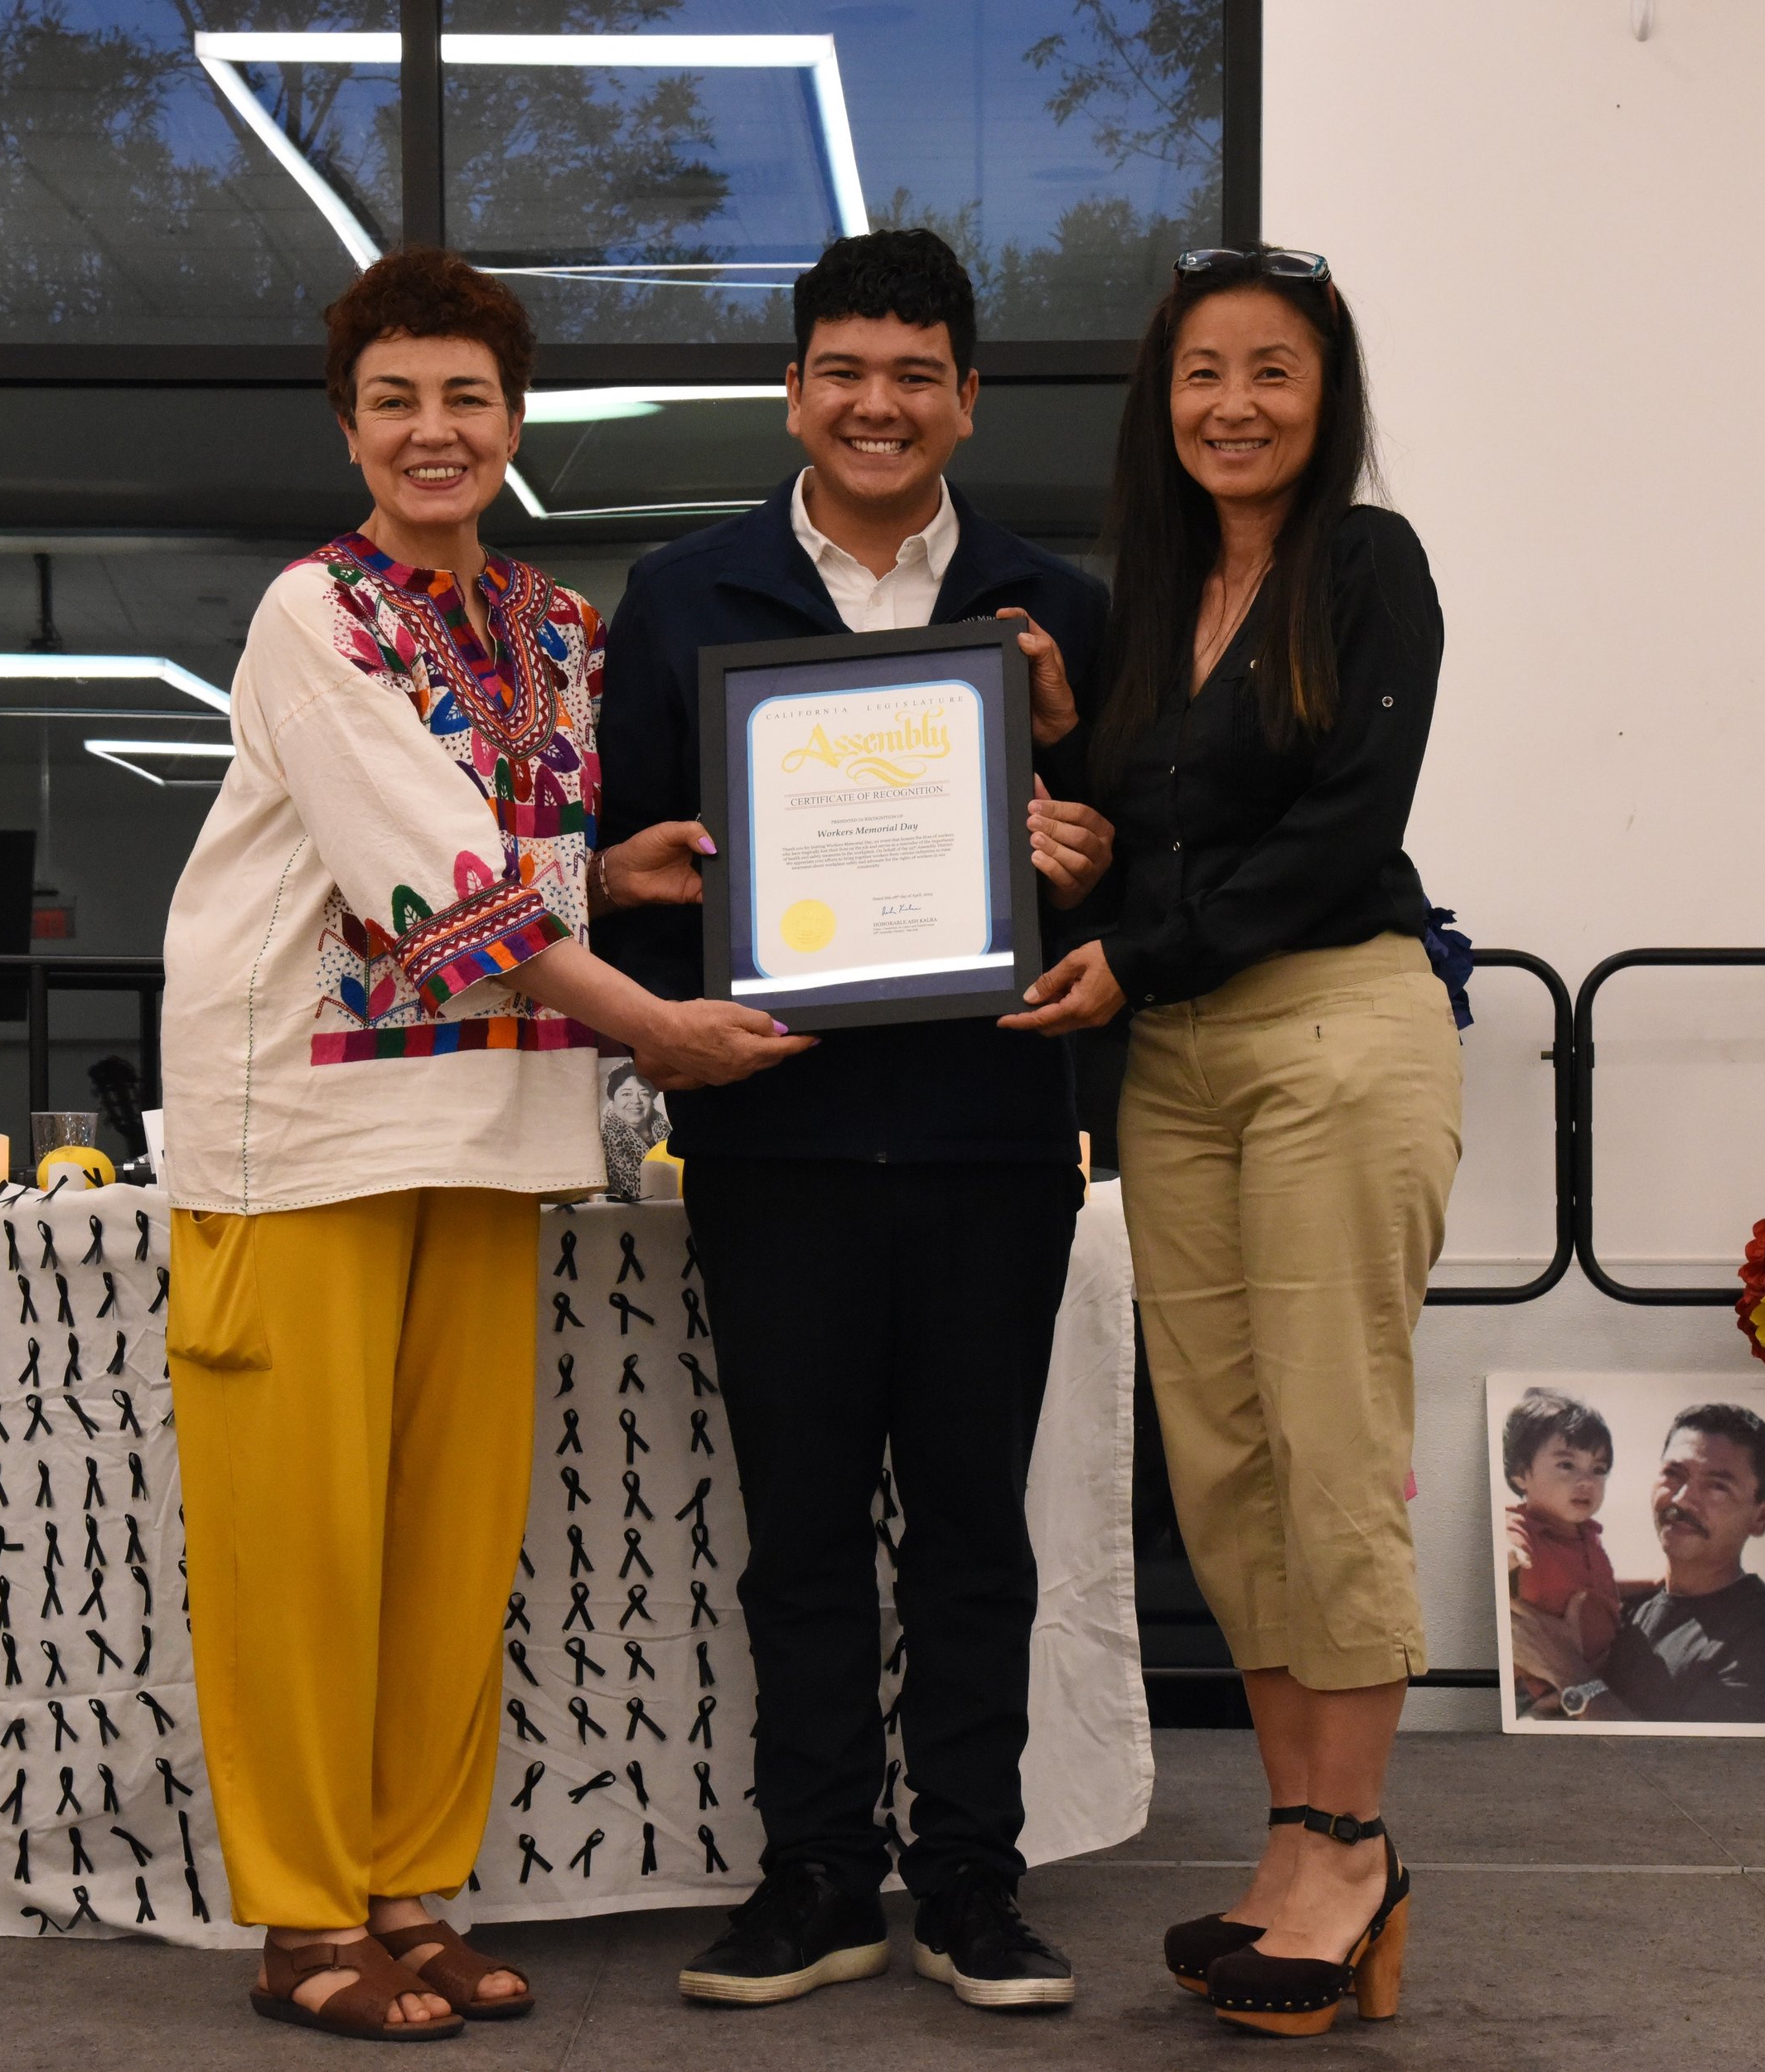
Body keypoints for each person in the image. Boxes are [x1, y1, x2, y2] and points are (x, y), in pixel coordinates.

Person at [159, 246, 806, 2045]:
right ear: (349, 426)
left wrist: (610, 870)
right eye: (394, 402)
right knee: (300, 1546)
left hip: (488, 1117)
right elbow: (420, 869)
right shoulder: (318, 609)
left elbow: (499, 851)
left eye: (463, 398)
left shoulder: (552, 620)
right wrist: (649, 1021)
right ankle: (299, 1917)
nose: (431, 431)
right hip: (297, 1123)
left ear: (511, 422)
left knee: (450, 1542)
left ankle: (410, 1888)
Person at [595, 228, 1115, 2011]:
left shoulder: (1061, 604)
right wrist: (657, 961)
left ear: (966, 398)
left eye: (912, 372)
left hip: (989, 1135)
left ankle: (973, 1873)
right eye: (841, 369)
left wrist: (1090, 849)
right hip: (774, 1143)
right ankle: (812, 1870)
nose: (874, 403)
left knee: (974, 1519)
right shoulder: (687, 594)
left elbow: (1134, 861)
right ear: (794, 390)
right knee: (802, 1524)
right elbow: (632, 875)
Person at [1000, 243, 1461, 2036]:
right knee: (1223, 1455)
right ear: (1158, 398)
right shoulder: (1156, 592)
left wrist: (1139, 938)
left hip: (1333, 1021)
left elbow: (1345, 826)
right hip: (1176, 1051)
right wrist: (1063, 790)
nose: (1234, 404)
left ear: (1323, 395)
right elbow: (1148, 846)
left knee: (1329, 1431)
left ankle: (1353, 1844)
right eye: (1202, 372)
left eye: (1271, 370)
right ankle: (1291, 1841)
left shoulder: (1363, 565)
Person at [1512, 1404, 1765, 1726]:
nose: (1682, 1499)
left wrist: (1566, 1671)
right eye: (1674, 1475)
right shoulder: (1627, 1608)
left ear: (1761, 1516)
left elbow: (1694, 1768)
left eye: (1717, 1486)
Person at [1500, 1387, 1622, 1714]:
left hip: (1594, 1681)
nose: (1587, 1481)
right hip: (1536, 1689)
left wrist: (1658, 1586)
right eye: (1567, 1465)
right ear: (1521, 1475)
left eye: (1598, 1469)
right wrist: (1509, 1556)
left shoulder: (1590, 1538)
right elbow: (1507, 1547)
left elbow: (1601, 1594)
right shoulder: (1521, 1526)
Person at [599, 1058, 668, 1200]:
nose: (636, 1101)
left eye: (644, 1094)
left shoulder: (670, 1137)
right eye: (626, 1094)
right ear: (613, 1099)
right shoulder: (599, 1145)